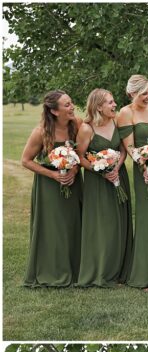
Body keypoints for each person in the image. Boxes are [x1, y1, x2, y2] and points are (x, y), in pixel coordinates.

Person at [21, 90, 82, 287]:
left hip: (73, 183)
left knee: (74, 224)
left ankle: (76, 270)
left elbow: (82, 153)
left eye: (71, 103)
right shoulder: (41, 132)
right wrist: (54, 175)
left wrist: (73, 169)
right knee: (54, 229)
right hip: (49, 186)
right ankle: (52, 270)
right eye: (67, 105)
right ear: (54, 111)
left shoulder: (77, 125)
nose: (72, 107)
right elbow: (26, 161)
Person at [76, 87, 132, 287]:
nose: (115, 105)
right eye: (110, 102)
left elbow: (123, 150)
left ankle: (121, 270)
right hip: (97, 182)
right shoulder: (86, 129)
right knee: (103, 225)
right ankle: (101, 270)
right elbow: (80, 157)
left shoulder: (117, 122)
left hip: (119, 177)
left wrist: (115, 167)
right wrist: (100, 170)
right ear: (98, 106)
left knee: (120, 222)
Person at [117, 74, 148, 290]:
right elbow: (129, 147)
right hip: (145, 173)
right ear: (131, 94)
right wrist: (145, 166)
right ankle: (147, 273)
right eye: (143, 94)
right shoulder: (125, 113)